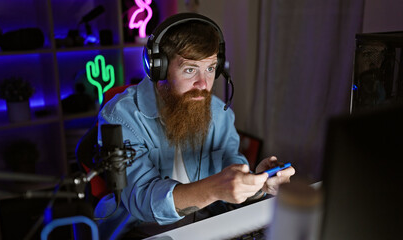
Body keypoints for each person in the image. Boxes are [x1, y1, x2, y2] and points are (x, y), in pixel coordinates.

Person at [94, 12, 295, 239]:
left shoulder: (219, 113)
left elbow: (232, 167)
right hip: (140, 230)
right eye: (190, 69)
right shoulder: (120, 116)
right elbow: (142, 199)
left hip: (206, 224)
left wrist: (258, 184)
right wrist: (214, 188)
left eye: (210, 68)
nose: (204, 84)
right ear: (157, 68)